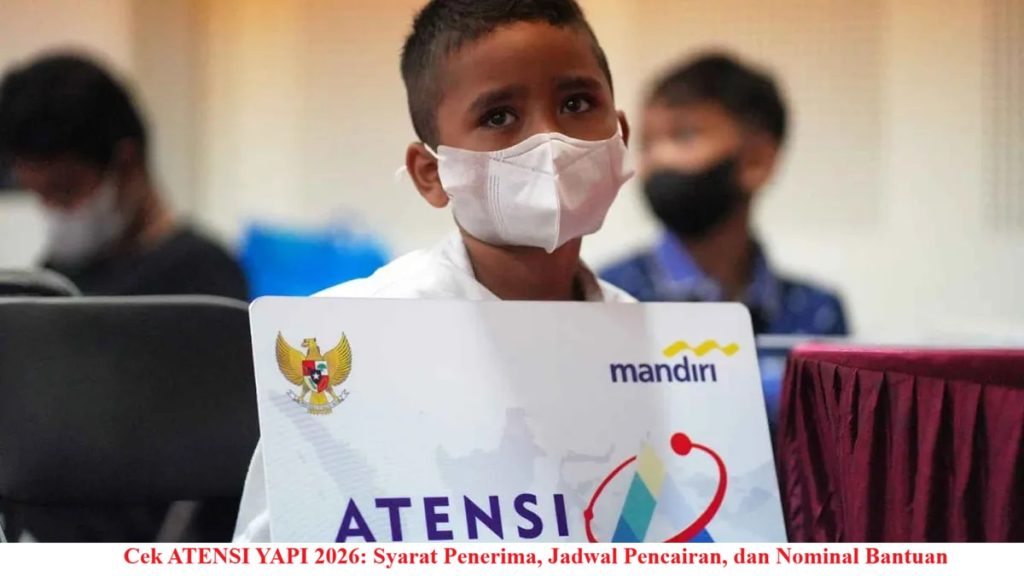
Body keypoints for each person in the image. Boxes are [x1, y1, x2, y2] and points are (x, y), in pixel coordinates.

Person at [234, 0, 635, 541]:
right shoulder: (352, 335)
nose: (549, 141)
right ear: (431, 173)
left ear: (620, 135)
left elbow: (668, 525)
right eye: (499, 116)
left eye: (577, 102)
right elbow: (283, 546)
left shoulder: (653, 347)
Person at [601, 53, 848, 335]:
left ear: (756, 160)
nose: (658, 158)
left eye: (683, 135)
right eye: (647, 143)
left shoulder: (816, 315)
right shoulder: (607, 298)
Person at [0, 53, 248, 300]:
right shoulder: (57, 274)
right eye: (40, 195)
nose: (52, 210)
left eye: (65, 190)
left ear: (126, 164)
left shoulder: (203, 276)